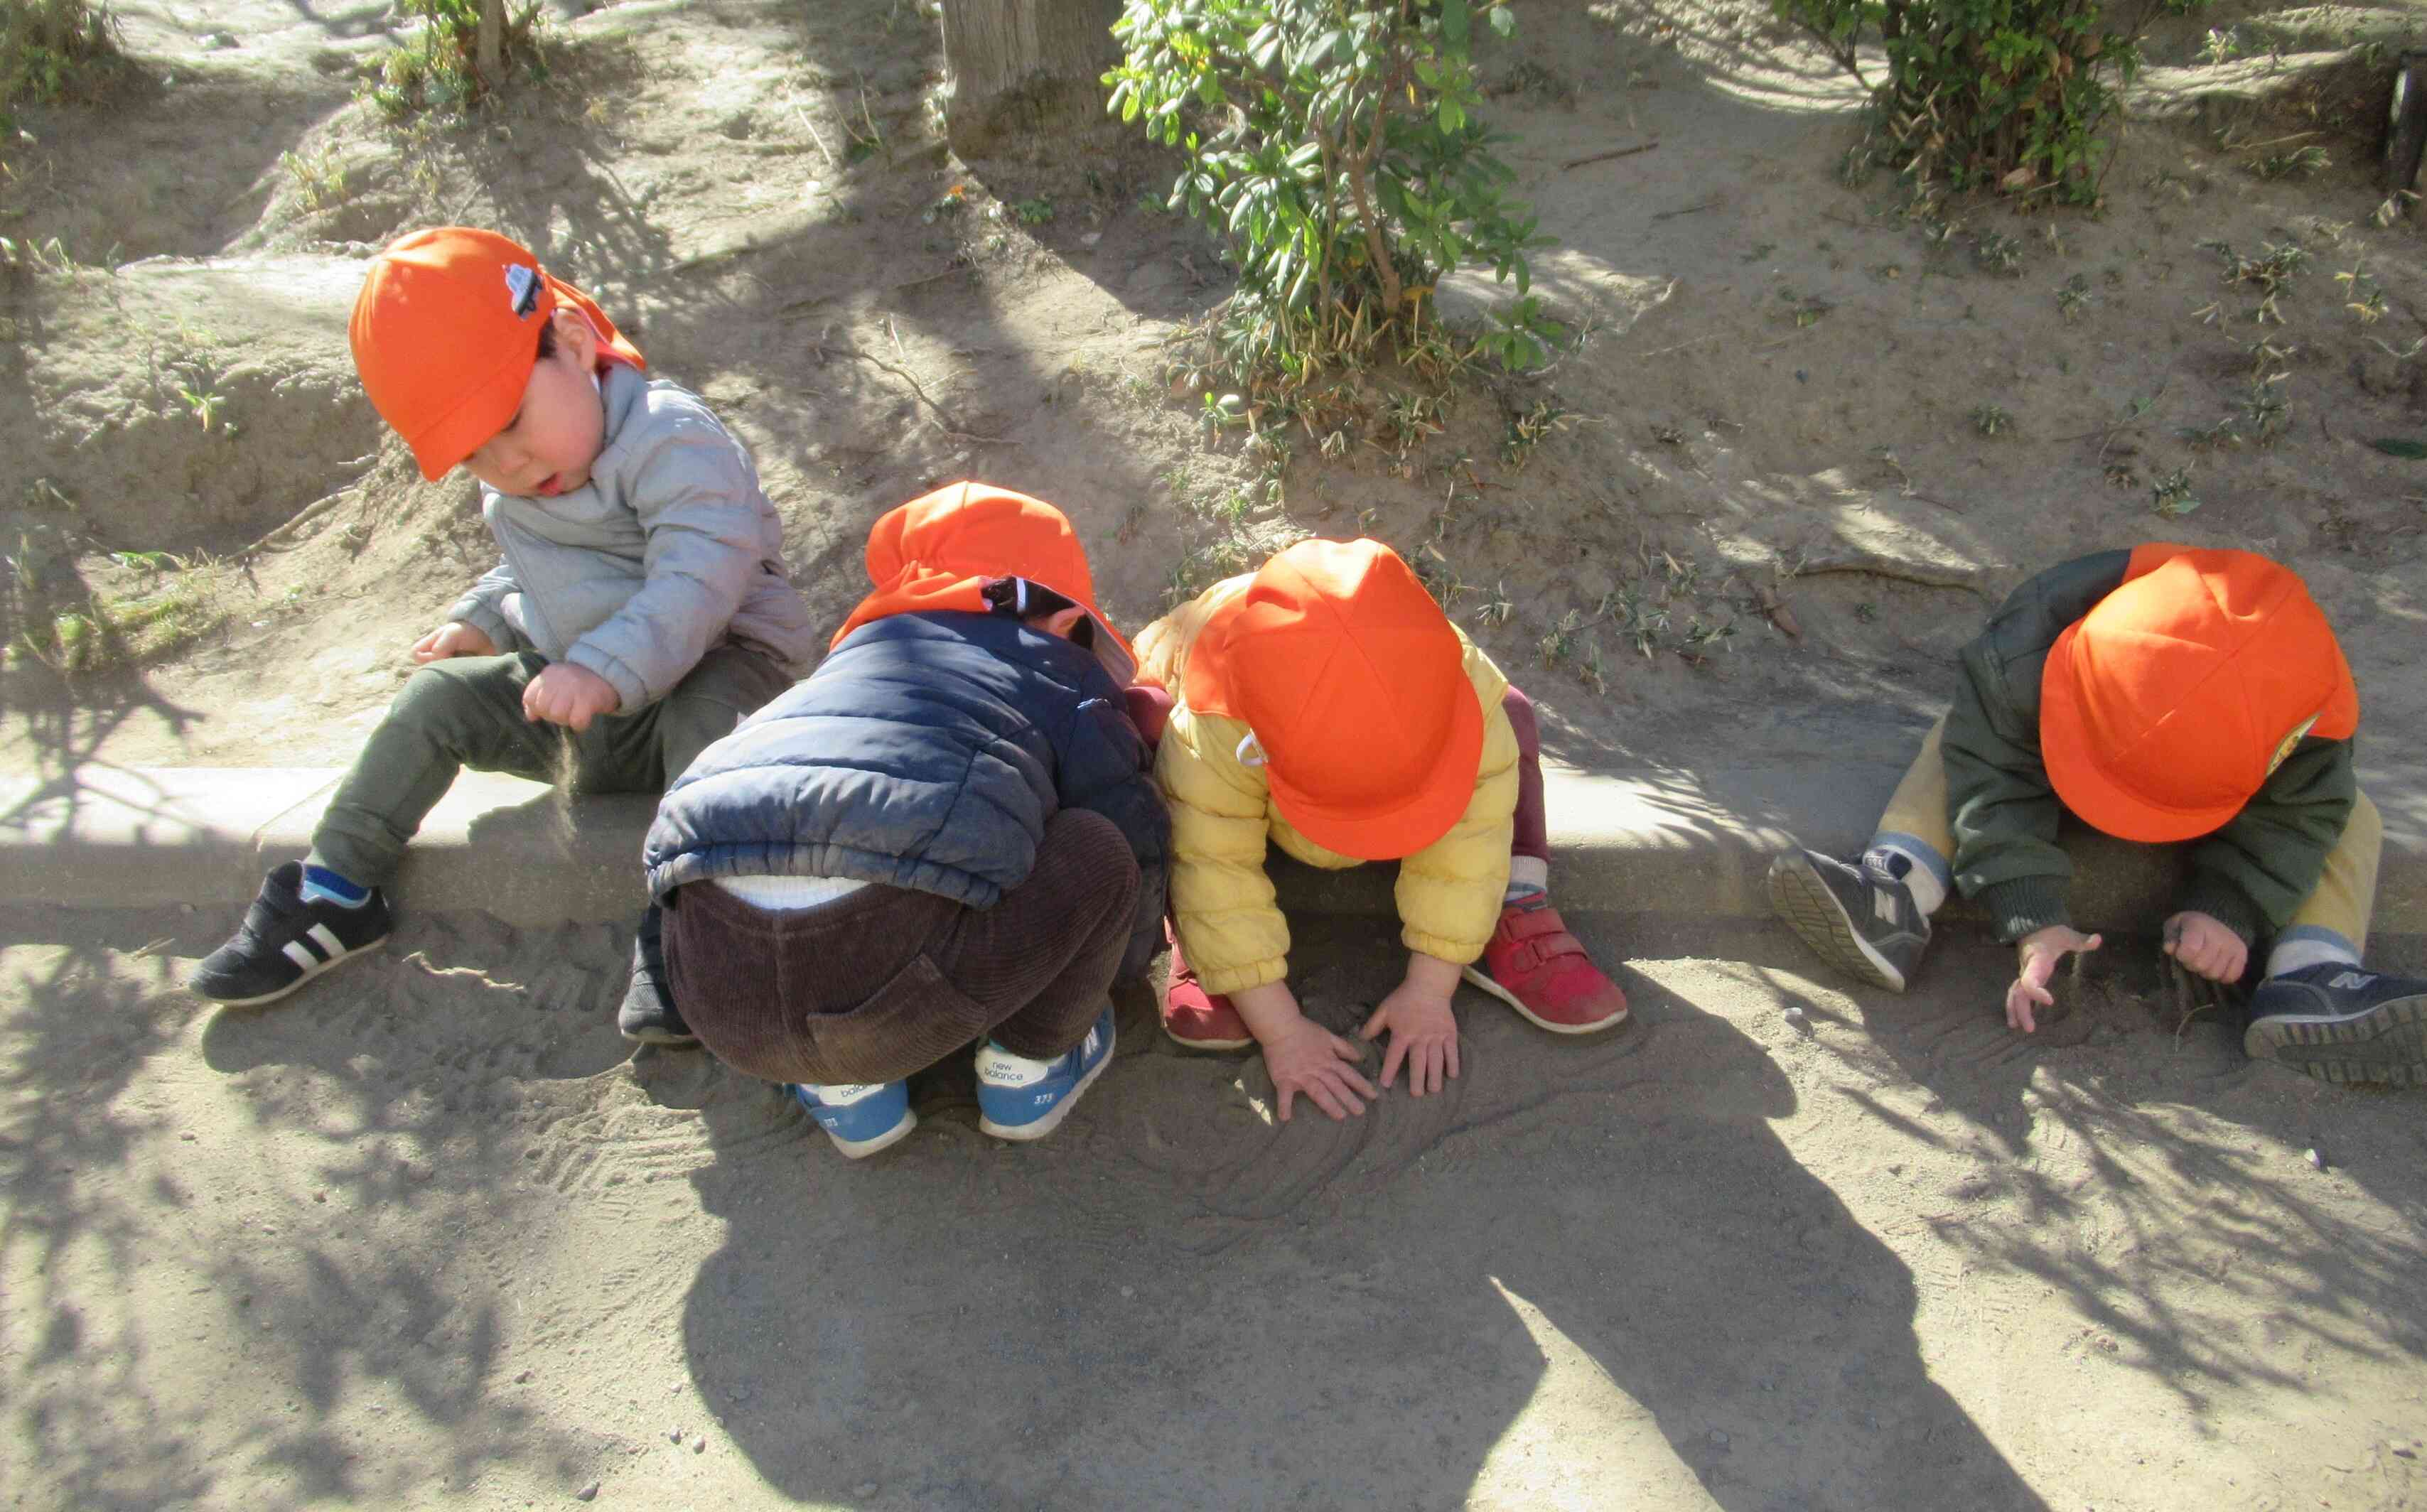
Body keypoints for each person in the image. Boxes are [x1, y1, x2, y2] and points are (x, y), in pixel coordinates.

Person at [188, 227, 817, 1045]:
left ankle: (697, 921)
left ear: (573, 341)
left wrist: (599, 667)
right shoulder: (535, 476)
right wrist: (479, 622)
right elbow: (537, 571)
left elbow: (698, 577)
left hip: (720, 678)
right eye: (476, 455)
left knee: (711, 708)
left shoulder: (671, 439)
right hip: (598, 706)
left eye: (512, 422)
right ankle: (338, 887)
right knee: (434, 700)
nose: (511, 464)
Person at [1767, 543, 2426, 1086]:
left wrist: (2232, 907)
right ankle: (1896, 889)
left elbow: (2301, 814)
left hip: (2224, 807)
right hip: (2046, 765)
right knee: (1958, 737)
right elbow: (1992, 777)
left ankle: (2312, 979)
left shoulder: (2309, 708)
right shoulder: (2025, 647)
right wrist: (2032, 916)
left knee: (2350, 811)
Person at [642, 482, 1168, 1158]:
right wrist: (1109, 972)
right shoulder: (1059, 671)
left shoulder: (829, 678)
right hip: (897, 1004)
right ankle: (1029, 1068)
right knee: (1097, 849)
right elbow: (1126, 831)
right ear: (1066, 620)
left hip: (725, 1007)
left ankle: (846, 1097)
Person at [1130, 537, 1630, 1123]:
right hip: (1250, 800)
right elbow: (1212, 861)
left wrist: (1428, 990)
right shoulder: (1215, 715)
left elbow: (1468, 842)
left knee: (1510, 712)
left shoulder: (1462, 684)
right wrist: (1282, 1031)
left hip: (1318, 790)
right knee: (1142, 721)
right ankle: (1197, 942)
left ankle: (1514, 901)